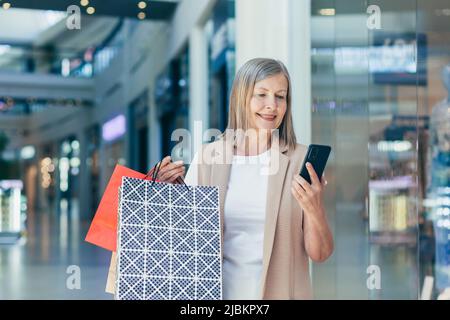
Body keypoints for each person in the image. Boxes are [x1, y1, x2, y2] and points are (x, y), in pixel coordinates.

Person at [156, 58, 334, 299]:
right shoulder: (209, 158)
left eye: (280, 96)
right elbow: (184, 239)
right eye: (261, 94)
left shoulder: (301, 161)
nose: (272, 105)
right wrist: (165, 195)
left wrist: (315, 210)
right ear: (242, 97)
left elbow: (320, 254)